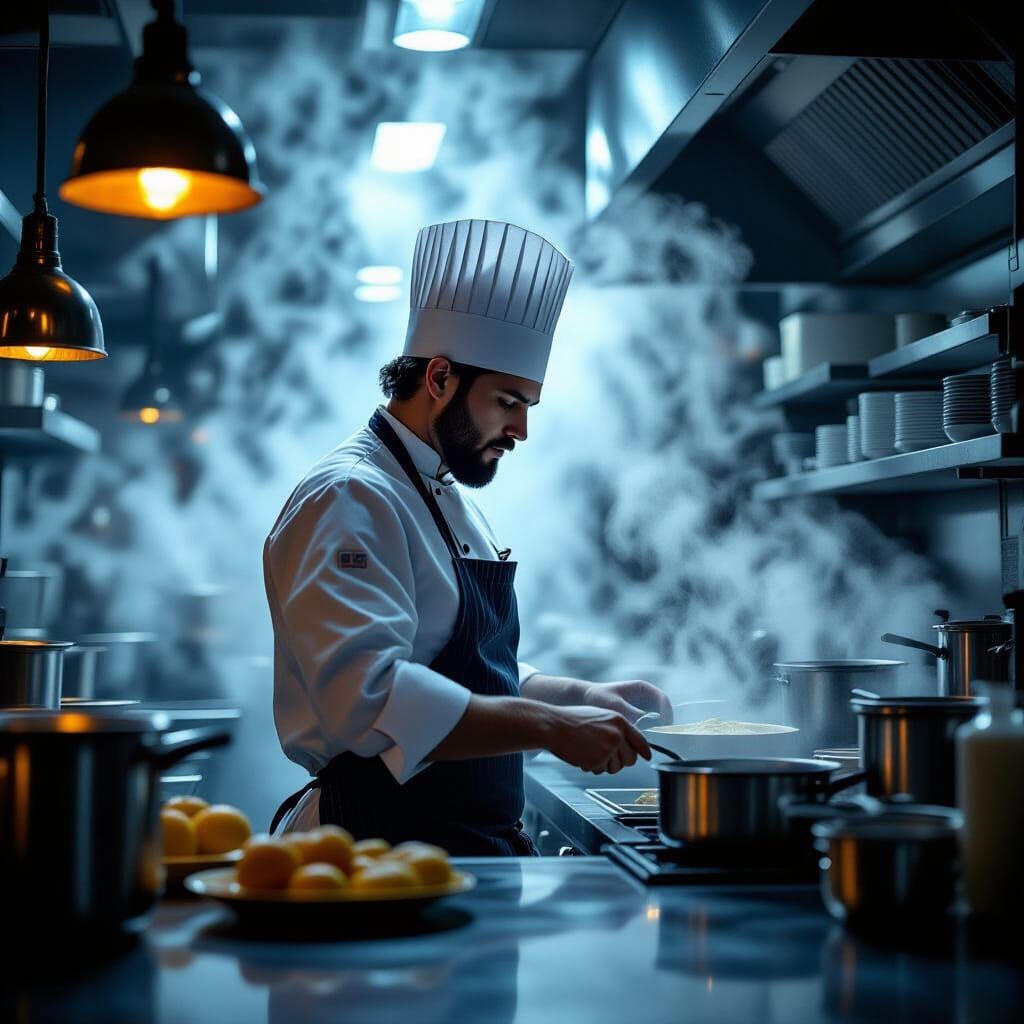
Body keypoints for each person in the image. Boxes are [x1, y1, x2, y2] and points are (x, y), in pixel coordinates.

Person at [265, 219, 671, 855]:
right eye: (508, 401)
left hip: (460, 846)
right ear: (439, 379)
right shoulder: (351, 496)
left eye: (528, 406)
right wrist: (552, 726)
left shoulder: (442, 490)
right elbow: (369, 698)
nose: (521, 430)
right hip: (377, 849)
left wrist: (581, 695)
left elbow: (462, 661)